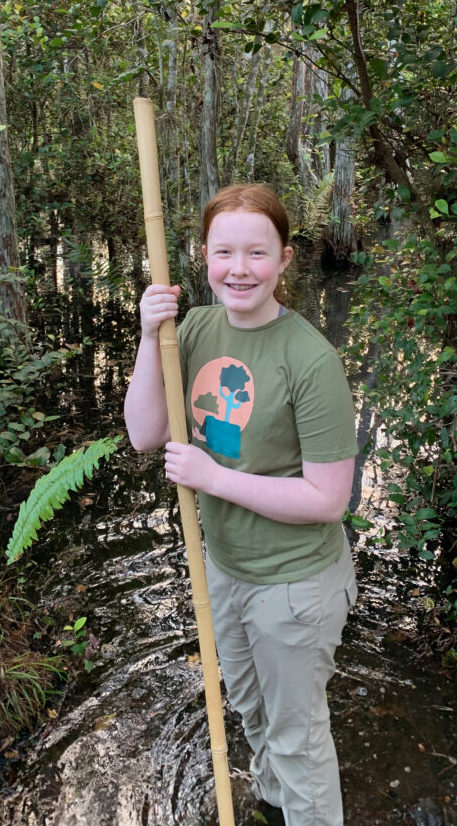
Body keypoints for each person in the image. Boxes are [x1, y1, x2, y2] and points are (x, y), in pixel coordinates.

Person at [124, 184, 358, 826]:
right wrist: (149, 336)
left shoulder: (311, 359)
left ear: (284, 260)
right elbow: (144, 435)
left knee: (298, 740)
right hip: (224, 570)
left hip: (295, 585)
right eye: (225, 252)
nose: (240, 268)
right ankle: (275, 811)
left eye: (258, 252)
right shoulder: (192, 329)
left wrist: (211, 477)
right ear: (205, 257)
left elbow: (328, 499)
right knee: (253, 714)